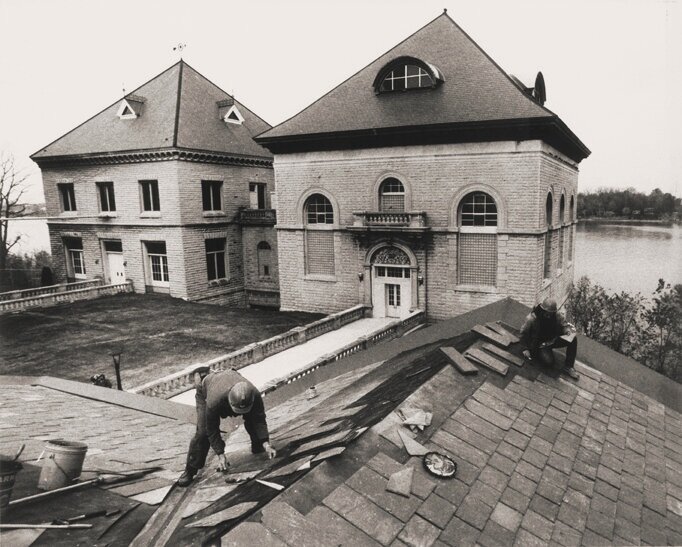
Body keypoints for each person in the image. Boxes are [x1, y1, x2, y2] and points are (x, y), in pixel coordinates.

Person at [177, 368, 276, 487]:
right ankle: (190, 470)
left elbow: (259, 418)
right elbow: (211, 429)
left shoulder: (253, 394)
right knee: (203, 433)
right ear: (229, 402)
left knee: (253, 417)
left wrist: (266, 444)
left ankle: (258, 445)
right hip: (206, 390)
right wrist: (220, 454)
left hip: (229, 379)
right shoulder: (214, 401)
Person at [520, 297, 579, 380]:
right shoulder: (532, 318)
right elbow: (523, 333)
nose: (548, 315)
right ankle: (541, 353)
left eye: (551, 313)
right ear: (542, 310)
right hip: (540, 344)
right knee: (549, 362)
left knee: (573, 338)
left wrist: (567, 331)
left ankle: (568, 366)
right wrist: (525, 348)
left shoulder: (557, 315)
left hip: (552, 341)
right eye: (547, 313)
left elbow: (565, 325)